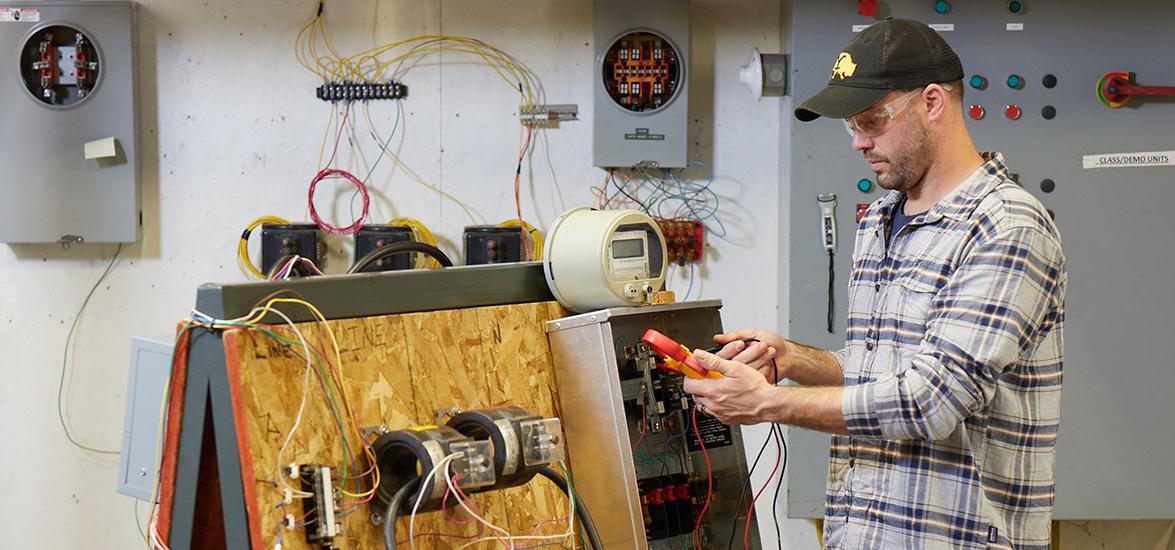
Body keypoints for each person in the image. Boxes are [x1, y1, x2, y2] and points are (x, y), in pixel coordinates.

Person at [682, 18, 1066, 549]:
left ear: (932, 102)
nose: (859, 141)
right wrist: (792, 359)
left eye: (872, 120)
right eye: (851, 126)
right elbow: (879, 369)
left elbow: (929, 400)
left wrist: (767, 402)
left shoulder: (1005, 227)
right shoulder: (880, 220)